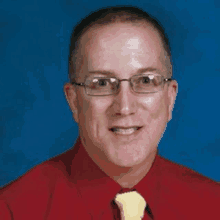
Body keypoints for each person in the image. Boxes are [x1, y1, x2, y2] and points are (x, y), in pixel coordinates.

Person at [0, 6, 219, 220]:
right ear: (74, 101)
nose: (124, 108)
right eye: (102, 83)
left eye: (145, 81)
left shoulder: (213, 205)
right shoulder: (12, 210)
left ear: (170, 98)